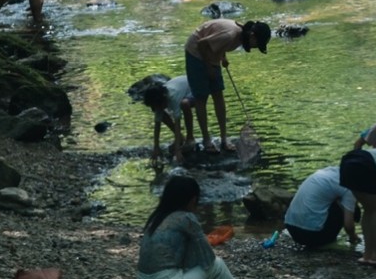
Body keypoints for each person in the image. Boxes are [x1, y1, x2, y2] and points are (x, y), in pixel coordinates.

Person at [136, 173, 257, 279]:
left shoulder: (155, 218)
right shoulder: (186, 217)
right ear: (192, 200)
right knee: (217, 265)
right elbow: (208, 259)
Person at [183, 16, 271, 152]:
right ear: (252, 36)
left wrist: (223, 57)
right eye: (257, 44)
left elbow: (217, 43)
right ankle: (207, 141)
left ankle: (224, 139)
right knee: (201, 98)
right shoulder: (230, 35)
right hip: (196, 52)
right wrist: (208, 67)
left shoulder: (240, 35)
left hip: (210, 54)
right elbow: (202, 44)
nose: (254, 48)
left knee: (218, 94)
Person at [283, 164, 359, 251]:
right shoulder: (349, 185)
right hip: (312, 235)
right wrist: (353, 237)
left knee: (337, 203)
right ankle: (327, 243)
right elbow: (348, 226)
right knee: (351, 210)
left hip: (291, 229)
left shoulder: (328, 171)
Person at [135, 74, 195, 162]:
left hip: (194, 88)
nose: (155, 108)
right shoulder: (159, 99)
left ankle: (190, 138)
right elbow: (157, 124)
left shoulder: (174, 97)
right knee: (160, 113)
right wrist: (156, 147)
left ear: (164, 99)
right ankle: (181, 138)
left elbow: (178, 122)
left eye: (156, 106)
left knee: (184, 104)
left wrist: (177, 151)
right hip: (181, 86)